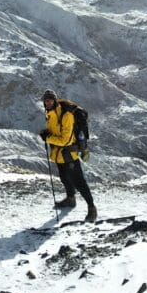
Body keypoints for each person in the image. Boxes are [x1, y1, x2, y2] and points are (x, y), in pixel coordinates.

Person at [39, 89, 97, 222]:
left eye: (49, 100)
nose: (47, 102)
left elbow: (65, 139)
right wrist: (47, 132)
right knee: (64, 178)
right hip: (59, 153)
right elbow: (55, 131)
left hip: (69, 152)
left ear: (54, 100)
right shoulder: (50, 113)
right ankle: (71, 199)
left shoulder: (66, 115)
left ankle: (92, 208)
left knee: (79, 181)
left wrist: (48, 138)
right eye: (45, 100)